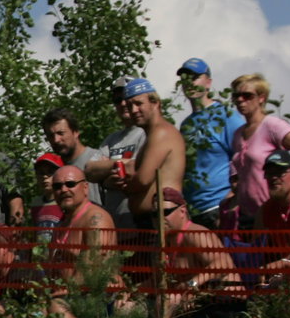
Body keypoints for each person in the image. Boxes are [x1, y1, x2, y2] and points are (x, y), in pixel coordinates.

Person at [47, 164, 117, 318]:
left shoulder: (96, 218)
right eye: (57, 186)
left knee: (56, 309)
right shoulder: (63, 223)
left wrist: (58, 294)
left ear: (85, 188)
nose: (64, 190)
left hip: (94, 296)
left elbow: (94, 268)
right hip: (67, 295)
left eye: (70, 184)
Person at [229, 73, 290, 228]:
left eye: (247, 95)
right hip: (245, 217)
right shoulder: (237, 134)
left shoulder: (272, 126)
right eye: (236, 96)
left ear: (261, 98)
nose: (240, 100)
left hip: (271, 214)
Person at [176, 58, 241, 227]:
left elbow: (244, 157)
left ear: (208, 82)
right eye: (184, 78)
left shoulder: (225, 115)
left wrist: (234, 198)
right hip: (192, 211)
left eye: (194, 77)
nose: (189, 82)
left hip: (218, 207)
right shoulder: (186, 125)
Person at [116, 78, 186, 229]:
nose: (133, 110)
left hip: (163, 220)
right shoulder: (152, 136)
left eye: (139, 103)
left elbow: (142, 180)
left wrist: (126, 186)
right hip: (150, 221)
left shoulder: (161, 132)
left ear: (155, 102)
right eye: (129, 105)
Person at [89, 77, 148, 229]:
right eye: (117, 100)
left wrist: (105, 175)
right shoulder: (111, 139)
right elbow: (89, 170)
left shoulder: (147, 133)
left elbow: (136, 170)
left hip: (141, 223)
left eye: (126, 97)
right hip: (115, 226)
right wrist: (107, 179)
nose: (122, 103)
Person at [42, 107, 105, 205]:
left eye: (61, 133)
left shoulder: (97, 161)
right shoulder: (55, 169)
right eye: (51, 135)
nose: (56, 140)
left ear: (75, 132)